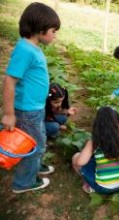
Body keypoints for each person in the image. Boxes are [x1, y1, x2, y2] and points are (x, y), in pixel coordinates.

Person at [1, 2, 60, 193]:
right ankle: (24, 182)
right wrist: (9, 114)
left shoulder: (33, 48)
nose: (55, 35)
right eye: (53, 31)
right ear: (40, 29)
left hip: (35, 109)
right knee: (32, 145)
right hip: (27, 111)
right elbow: (9, 81)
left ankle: (35, 165)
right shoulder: (25, 50)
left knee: (40, 139)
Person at [72, 107, 119, 194]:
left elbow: (80, 163)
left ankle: (89, 185)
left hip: (105, 188)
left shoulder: (94, 142)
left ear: (97, 124)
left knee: (75, 158)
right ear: (117, 123)